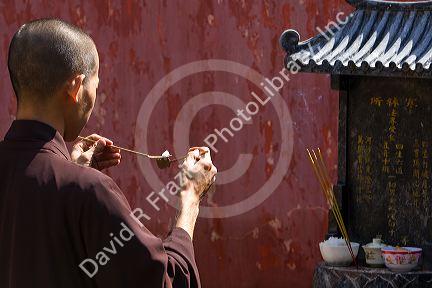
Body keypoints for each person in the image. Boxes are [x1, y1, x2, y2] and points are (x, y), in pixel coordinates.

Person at [0, 18, 217, 288]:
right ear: (76, 88)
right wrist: (190, 199)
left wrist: (72, 169)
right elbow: (167, 281)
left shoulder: (78, 187)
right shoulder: (89, 190)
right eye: (95, 86)